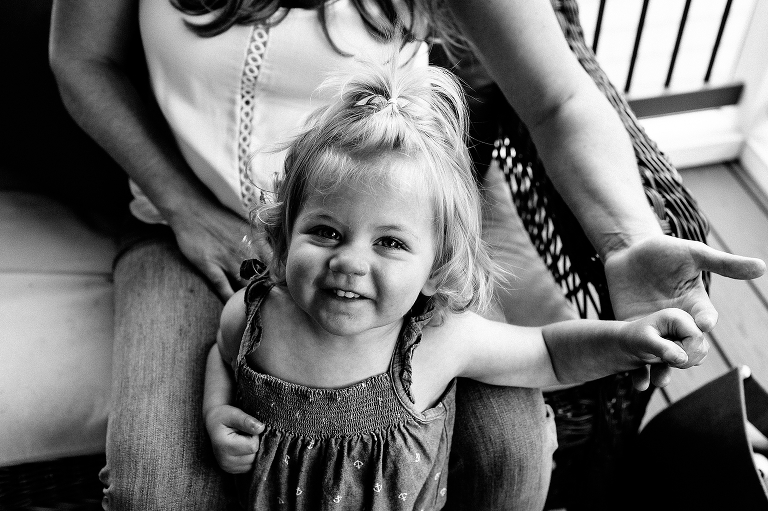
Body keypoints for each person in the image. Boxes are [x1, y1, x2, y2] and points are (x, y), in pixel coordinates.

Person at [48, 0, 766, 509]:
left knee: (511, 453)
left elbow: (557, 99)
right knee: (156, 487)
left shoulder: (431, 318)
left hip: (393, 245)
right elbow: (81, 57)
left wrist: (628, 240)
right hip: (183, 224)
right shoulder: (249, 313)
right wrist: (181, 207)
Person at [203, 60, 708, 510]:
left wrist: (627, 340)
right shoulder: (256, 317)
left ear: (435, 270)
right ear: (285, 236)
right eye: (326, 232)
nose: (350, 262)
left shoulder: (435, 342)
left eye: (389, 243)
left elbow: (549, 354)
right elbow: (221, 357)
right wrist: (216, 410)